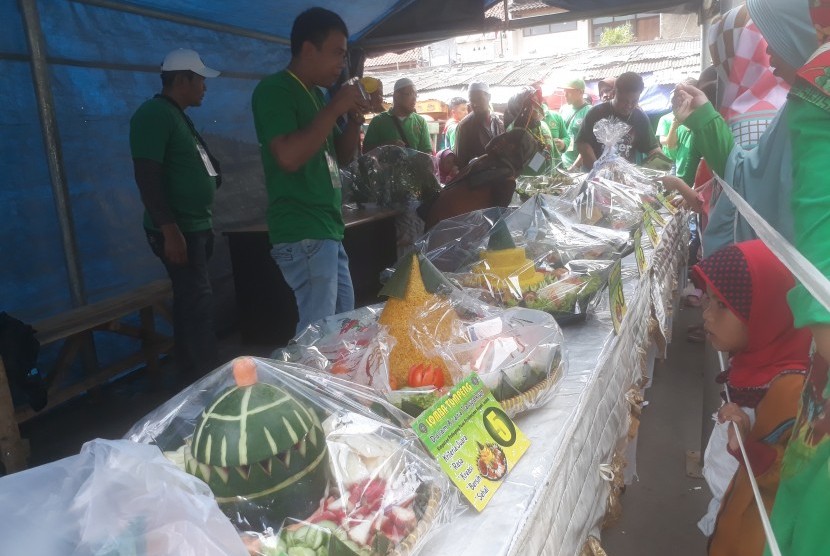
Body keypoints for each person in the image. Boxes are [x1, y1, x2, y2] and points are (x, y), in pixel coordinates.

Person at [251, 8, 368, 334]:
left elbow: (340, 157)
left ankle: (333, 383)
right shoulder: (275, 89)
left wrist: (354, 119)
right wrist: (335, 107)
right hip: (303, 229)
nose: (341, 65)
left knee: (343, 325)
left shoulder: (317, 96)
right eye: (337, 54)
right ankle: (307, 384)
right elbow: (288, 156)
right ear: (307, 50)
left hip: (326, 227)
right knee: (318, 334)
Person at [692, 240, 811, 555]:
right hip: (731, 513)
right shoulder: (750, 363)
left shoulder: (792, 390)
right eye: (708, 300)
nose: (706, 315)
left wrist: (749, 450)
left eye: (722, 307)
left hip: (754, 537)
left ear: (765, 313)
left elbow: (793, 478)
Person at [671, 0, 817, 257]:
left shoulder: (807, 111)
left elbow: (741, 198)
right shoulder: (795, 103)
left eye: (776, 36)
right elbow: (747, 177)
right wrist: (703, 117)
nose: (768, 48)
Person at [769, 4, 830, 553]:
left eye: (773, 37)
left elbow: (813, 207)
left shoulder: (815, 93)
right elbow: (752, 174)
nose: (766, 51)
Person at [130, 48, 222, 379]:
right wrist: (169, 229)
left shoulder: (176, 115)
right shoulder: (154, 114)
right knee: (197, 304)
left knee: (190, 304)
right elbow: (147, 175)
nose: (204, 87)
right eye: (200, 80)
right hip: (178, 230)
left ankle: (189, 377)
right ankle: (210, 383)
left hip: (194, 226)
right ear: (182, 79)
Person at [576, 72, 661, 170]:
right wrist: (597, 171)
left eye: (634, 101)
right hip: (596, 177)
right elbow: (583, 144)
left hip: (625, 178)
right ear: (614, 93)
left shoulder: (639, 117)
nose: (629, 105)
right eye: (624, 101)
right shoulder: (596, 113)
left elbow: (653, 149)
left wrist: (664, 165)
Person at [362, 77, 432, 154]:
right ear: (397, 96)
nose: (414, 98)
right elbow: (366, 152)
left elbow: (427, 154)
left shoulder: (421, 122)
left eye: (416, 95)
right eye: (410, 94)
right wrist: (386, 146)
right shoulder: (378, 121)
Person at [504, 86, 555, 176]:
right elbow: (527, 169)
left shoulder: (543, 126)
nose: (537, 107)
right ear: (519, 108)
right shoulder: (513, 133)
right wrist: (541, 155)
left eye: (538, 102)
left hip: (551, 185)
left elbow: (554, 156)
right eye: (532, 104)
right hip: (526, 187)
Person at [454, 81, 505, 167]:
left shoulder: (498, 122)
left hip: (498, 176)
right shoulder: (464, 126)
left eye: (479, 99)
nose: (475, 104)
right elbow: (460, 162)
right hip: (476, 178)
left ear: (489, 97)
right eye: (471, 100)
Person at [559, 78, 591, 171]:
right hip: (562, 164)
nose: (565, 95)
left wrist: (574, 167)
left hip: (580, 168)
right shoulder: (563, 109)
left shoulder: (590, 112)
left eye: (568, 92)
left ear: (580, 92)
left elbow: (588, 145)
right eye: (564, 91)